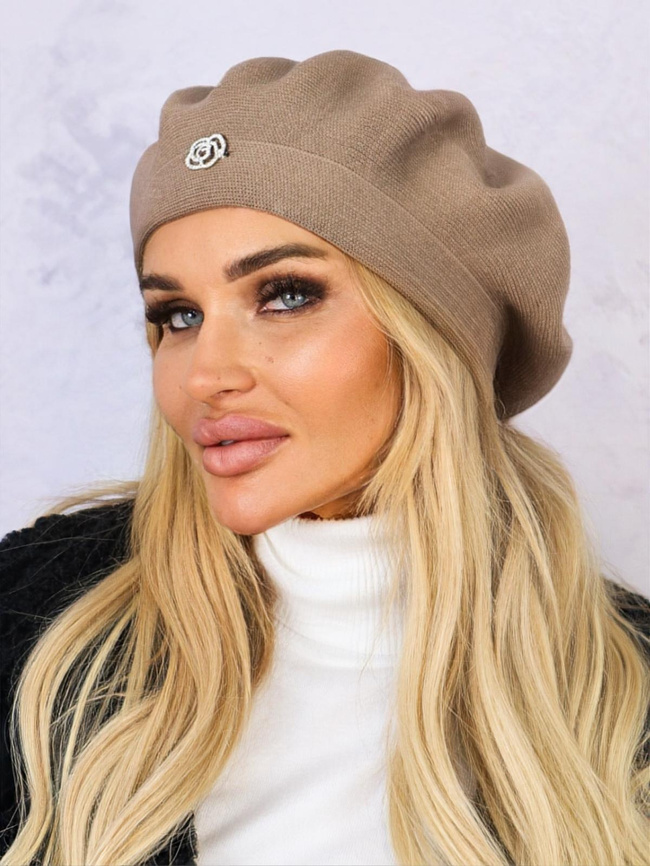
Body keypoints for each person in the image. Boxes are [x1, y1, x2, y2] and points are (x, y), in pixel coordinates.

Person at [1, 48, 648, 866]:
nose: (204, 375)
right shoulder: (33, 621)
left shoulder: (624, 695)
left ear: (433, 335)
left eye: (285, 295)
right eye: (178, 315)